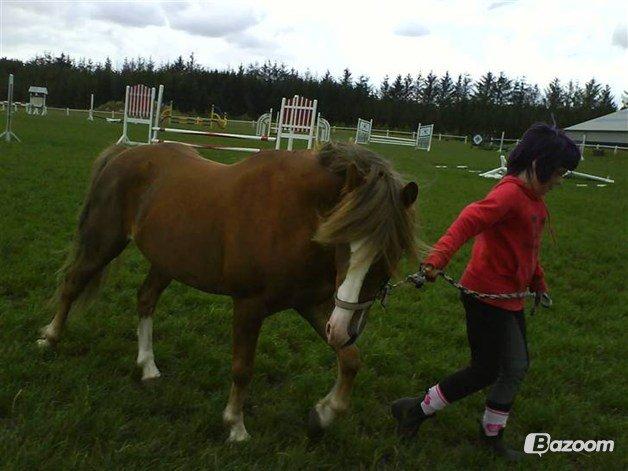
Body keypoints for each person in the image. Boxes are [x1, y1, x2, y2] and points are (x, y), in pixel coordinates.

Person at [391, 123, 581, 461]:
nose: (559, 180)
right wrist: (437, 259)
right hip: (484, 298)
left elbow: (528, 251)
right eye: (559, 172)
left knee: (516, 366)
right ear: (538, 164)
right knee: (485, 370)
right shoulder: (509, 195)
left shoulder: (534, 201)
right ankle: (417, 409)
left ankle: (491, 434)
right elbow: (468, 219)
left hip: (510, 300)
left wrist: (538, 284)